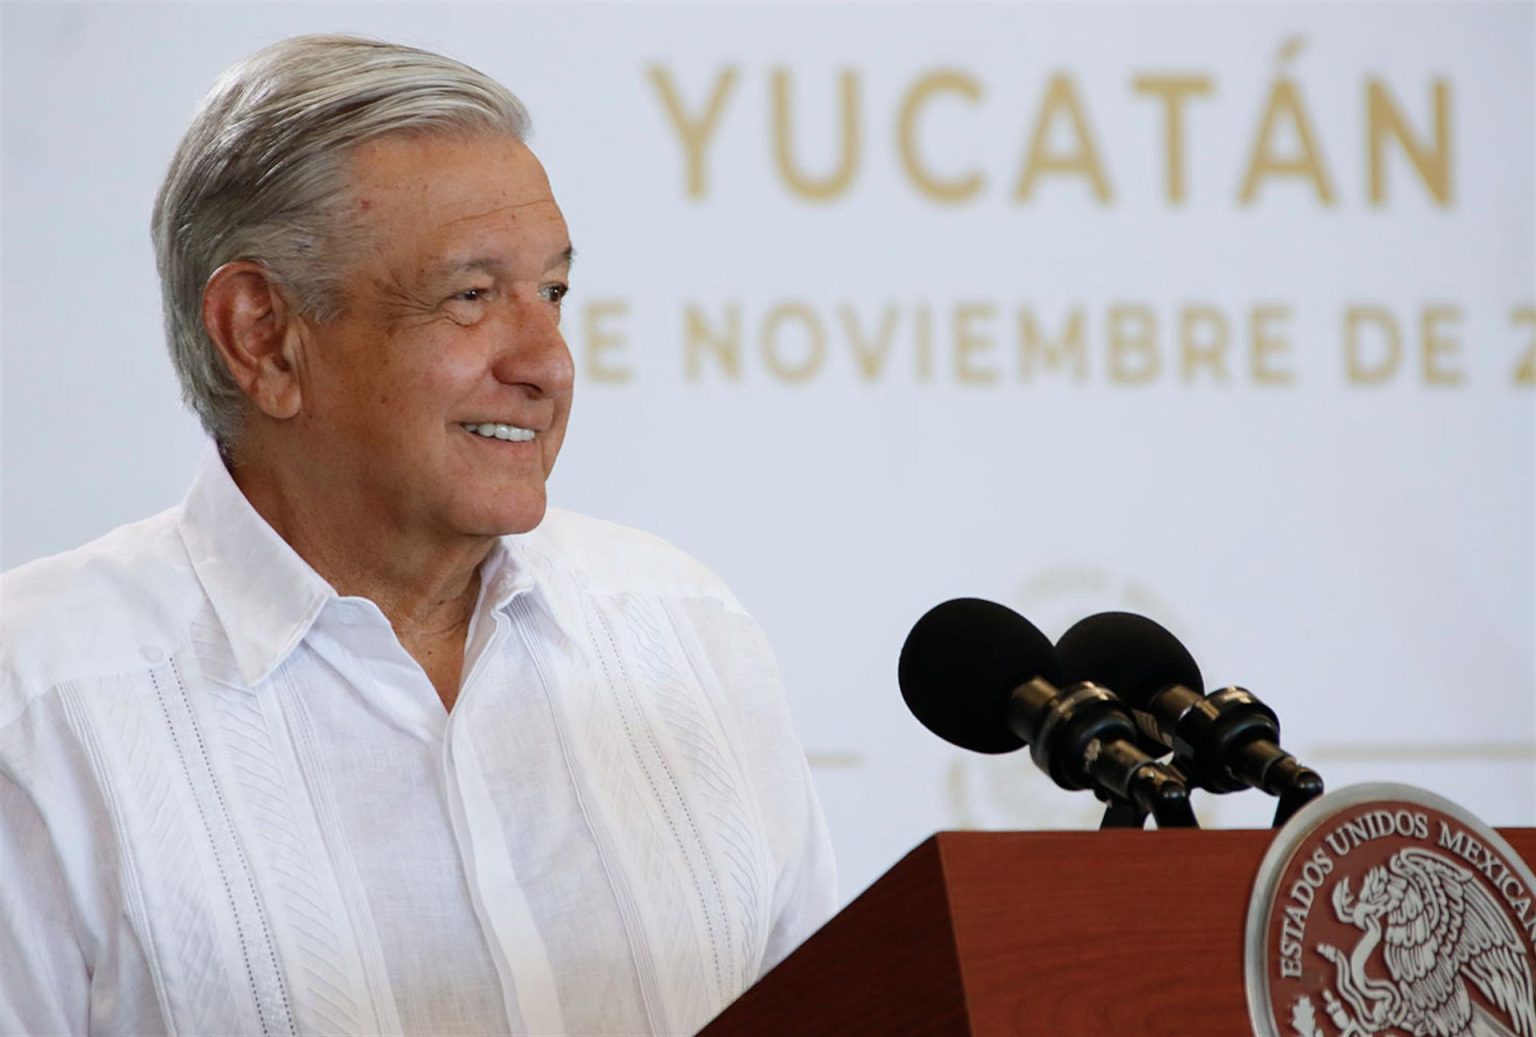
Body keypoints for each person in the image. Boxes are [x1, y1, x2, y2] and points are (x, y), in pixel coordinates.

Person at [0, 34, 835, 1036]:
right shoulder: (41, 701)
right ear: (263, 334)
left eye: (554, 292)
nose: (548, 364)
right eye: (472, 296)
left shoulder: (687, 632)